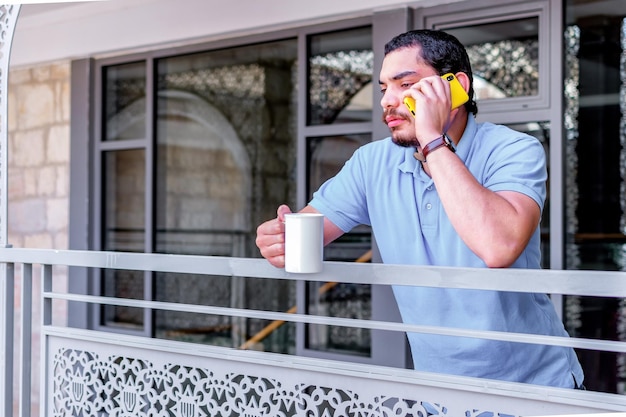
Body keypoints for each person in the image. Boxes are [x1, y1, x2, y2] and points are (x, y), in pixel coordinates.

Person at [256, 29, 584, 389]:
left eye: (405, 85)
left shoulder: (514, 150)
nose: (386, 101)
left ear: (456, 87)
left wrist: (432, 141)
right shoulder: (371, 162)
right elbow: (309, 233)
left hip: (538, 390)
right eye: (383, 88)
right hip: (441, 394)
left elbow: (499, 246)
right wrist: (279, 240)